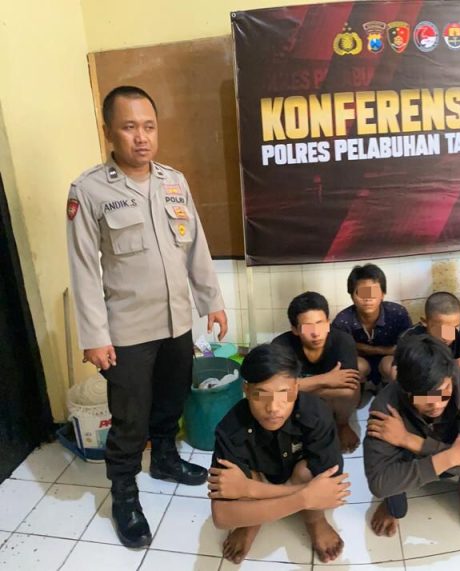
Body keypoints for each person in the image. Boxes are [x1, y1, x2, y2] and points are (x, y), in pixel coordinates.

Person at [66, 85, 227, 548]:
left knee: (170, 401)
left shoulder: (174, 181)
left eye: (149, 126)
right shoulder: (89, 190)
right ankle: (124, 494)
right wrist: (94, 336)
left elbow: (195, 247)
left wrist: (212, 301)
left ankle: (165, 461)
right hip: (127, 330)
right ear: (109, 132)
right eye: (129, 127)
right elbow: (83, 268)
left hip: (177, 323)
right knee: (130, 419)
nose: (142, 137)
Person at [209, 344, 350, 564]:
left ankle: (314, 520)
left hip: (295, 473)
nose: (273, 408)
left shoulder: (316, 414)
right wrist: (305, 497)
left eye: (284, 394)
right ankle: (250, 524)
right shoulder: (231, 429)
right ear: (246, 390)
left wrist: (249, 489)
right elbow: (222, 516)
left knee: (307, 473)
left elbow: (332, 488)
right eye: (260, 394)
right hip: (262, 474)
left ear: (296, 388)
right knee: (245, 477)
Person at [364, 335, 460, 537]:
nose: (437, 404)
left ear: (451, 377)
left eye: (445, 390)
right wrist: (454, 456)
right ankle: (394, 509)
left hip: (449, 445)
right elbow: (379, 484)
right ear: (406, 389)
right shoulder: (385, 407)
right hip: (416, 457)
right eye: (424, 397)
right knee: (396, 507)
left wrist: (410, 441)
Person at [272, 292, 363, 453]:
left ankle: (342, 424)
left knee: (350, 390)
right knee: (274, 395)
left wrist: (296, 387)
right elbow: (276, 389)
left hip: (311, 397)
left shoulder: (342, 340)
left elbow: (348, 388)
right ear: (295, 329)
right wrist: (326, 379)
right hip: (299, 406)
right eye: (307, 327)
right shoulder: (281, 345)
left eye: (320, 324)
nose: (316, 333)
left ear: (328, 322)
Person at [332, 264, 412, 386]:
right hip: (360, 362)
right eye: (362, 293)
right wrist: (385, 350)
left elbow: (407, 348)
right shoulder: (342, 320)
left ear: (383, 294)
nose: (368, 299)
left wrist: (367, 349)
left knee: (390, 365)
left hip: (390, 360)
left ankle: (388, 392)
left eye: (373, 292)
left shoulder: (397, 313)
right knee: (355, 367)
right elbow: (340, 353)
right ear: (352, 295)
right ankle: (360, 392)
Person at [400, 292, 460, 385]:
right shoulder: (412, 338)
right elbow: (399, 380)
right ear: (425, 322)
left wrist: (436, 379)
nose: (448, 336)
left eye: (455, 328)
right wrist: (456, 368)